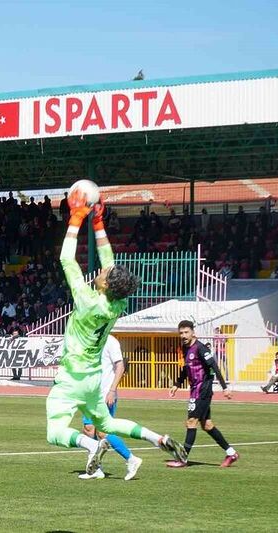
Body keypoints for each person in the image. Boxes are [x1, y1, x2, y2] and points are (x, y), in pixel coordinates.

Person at [45, 195, 186, 475]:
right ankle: (156, 438)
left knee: (54, 432)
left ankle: (90, 445)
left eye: (104, 274)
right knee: (107, 425)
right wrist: (98, 222)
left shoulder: (87, 300)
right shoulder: (117, 303)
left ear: (106, 284)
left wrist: (75, 220)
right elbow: (109, 262)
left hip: (72, 377)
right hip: (94, 379)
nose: (101, 271)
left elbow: (65, 259)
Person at [169, 320, 238, 467]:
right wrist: (177, 384)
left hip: (203, 391)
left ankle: (182, 458)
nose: (183, 335)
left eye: (186, 332)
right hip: (195, 390)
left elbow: (214, 366)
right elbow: (186, 368)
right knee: (207, 425)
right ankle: (231, 453)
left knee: (191, 422)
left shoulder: (200, 348)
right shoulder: (185, 348)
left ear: (193, 332)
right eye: (181, 333)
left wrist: (225, 387)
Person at [78, 335, 143, 481]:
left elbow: (120, 366)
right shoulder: (87, 340)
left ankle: (131, 459)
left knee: (102, 432)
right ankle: (96, 469)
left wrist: (112, 390)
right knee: (89, 430)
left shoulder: (111, 341)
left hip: (105, 394)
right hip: (90, 394)